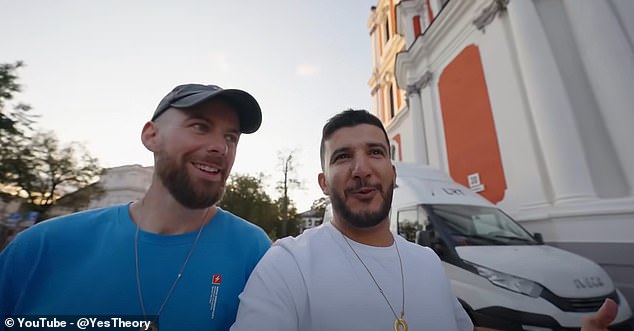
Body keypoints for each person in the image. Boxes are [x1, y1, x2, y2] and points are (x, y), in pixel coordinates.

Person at [230, 109, 623, 331]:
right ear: (323, 182)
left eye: (375, 153)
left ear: (393, 172)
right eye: (343, 157)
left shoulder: (427, 262)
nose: (362, 169)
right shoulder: (287, 266)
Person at [0, 84, 271, 331]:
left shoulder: (254, 252)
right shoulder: (41, 247)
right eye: (200, 126)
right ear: (151, 135)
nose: (221, 147)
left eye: (231, 137)